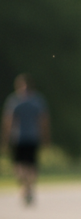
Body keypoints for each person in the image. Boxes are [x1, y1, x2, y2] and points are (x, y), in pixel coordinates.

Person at [2, 74, 50, 206]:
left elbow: (43, 121)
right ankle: (27, 187)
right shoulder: (18, 101)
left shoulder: (32, 101)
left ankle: (28, 187)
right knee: (21, 166)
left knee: (29, 165)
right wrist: (6, 139)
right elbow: (9, 121)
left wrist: (45, 137)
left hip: (29, 138)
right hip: (19, 138)